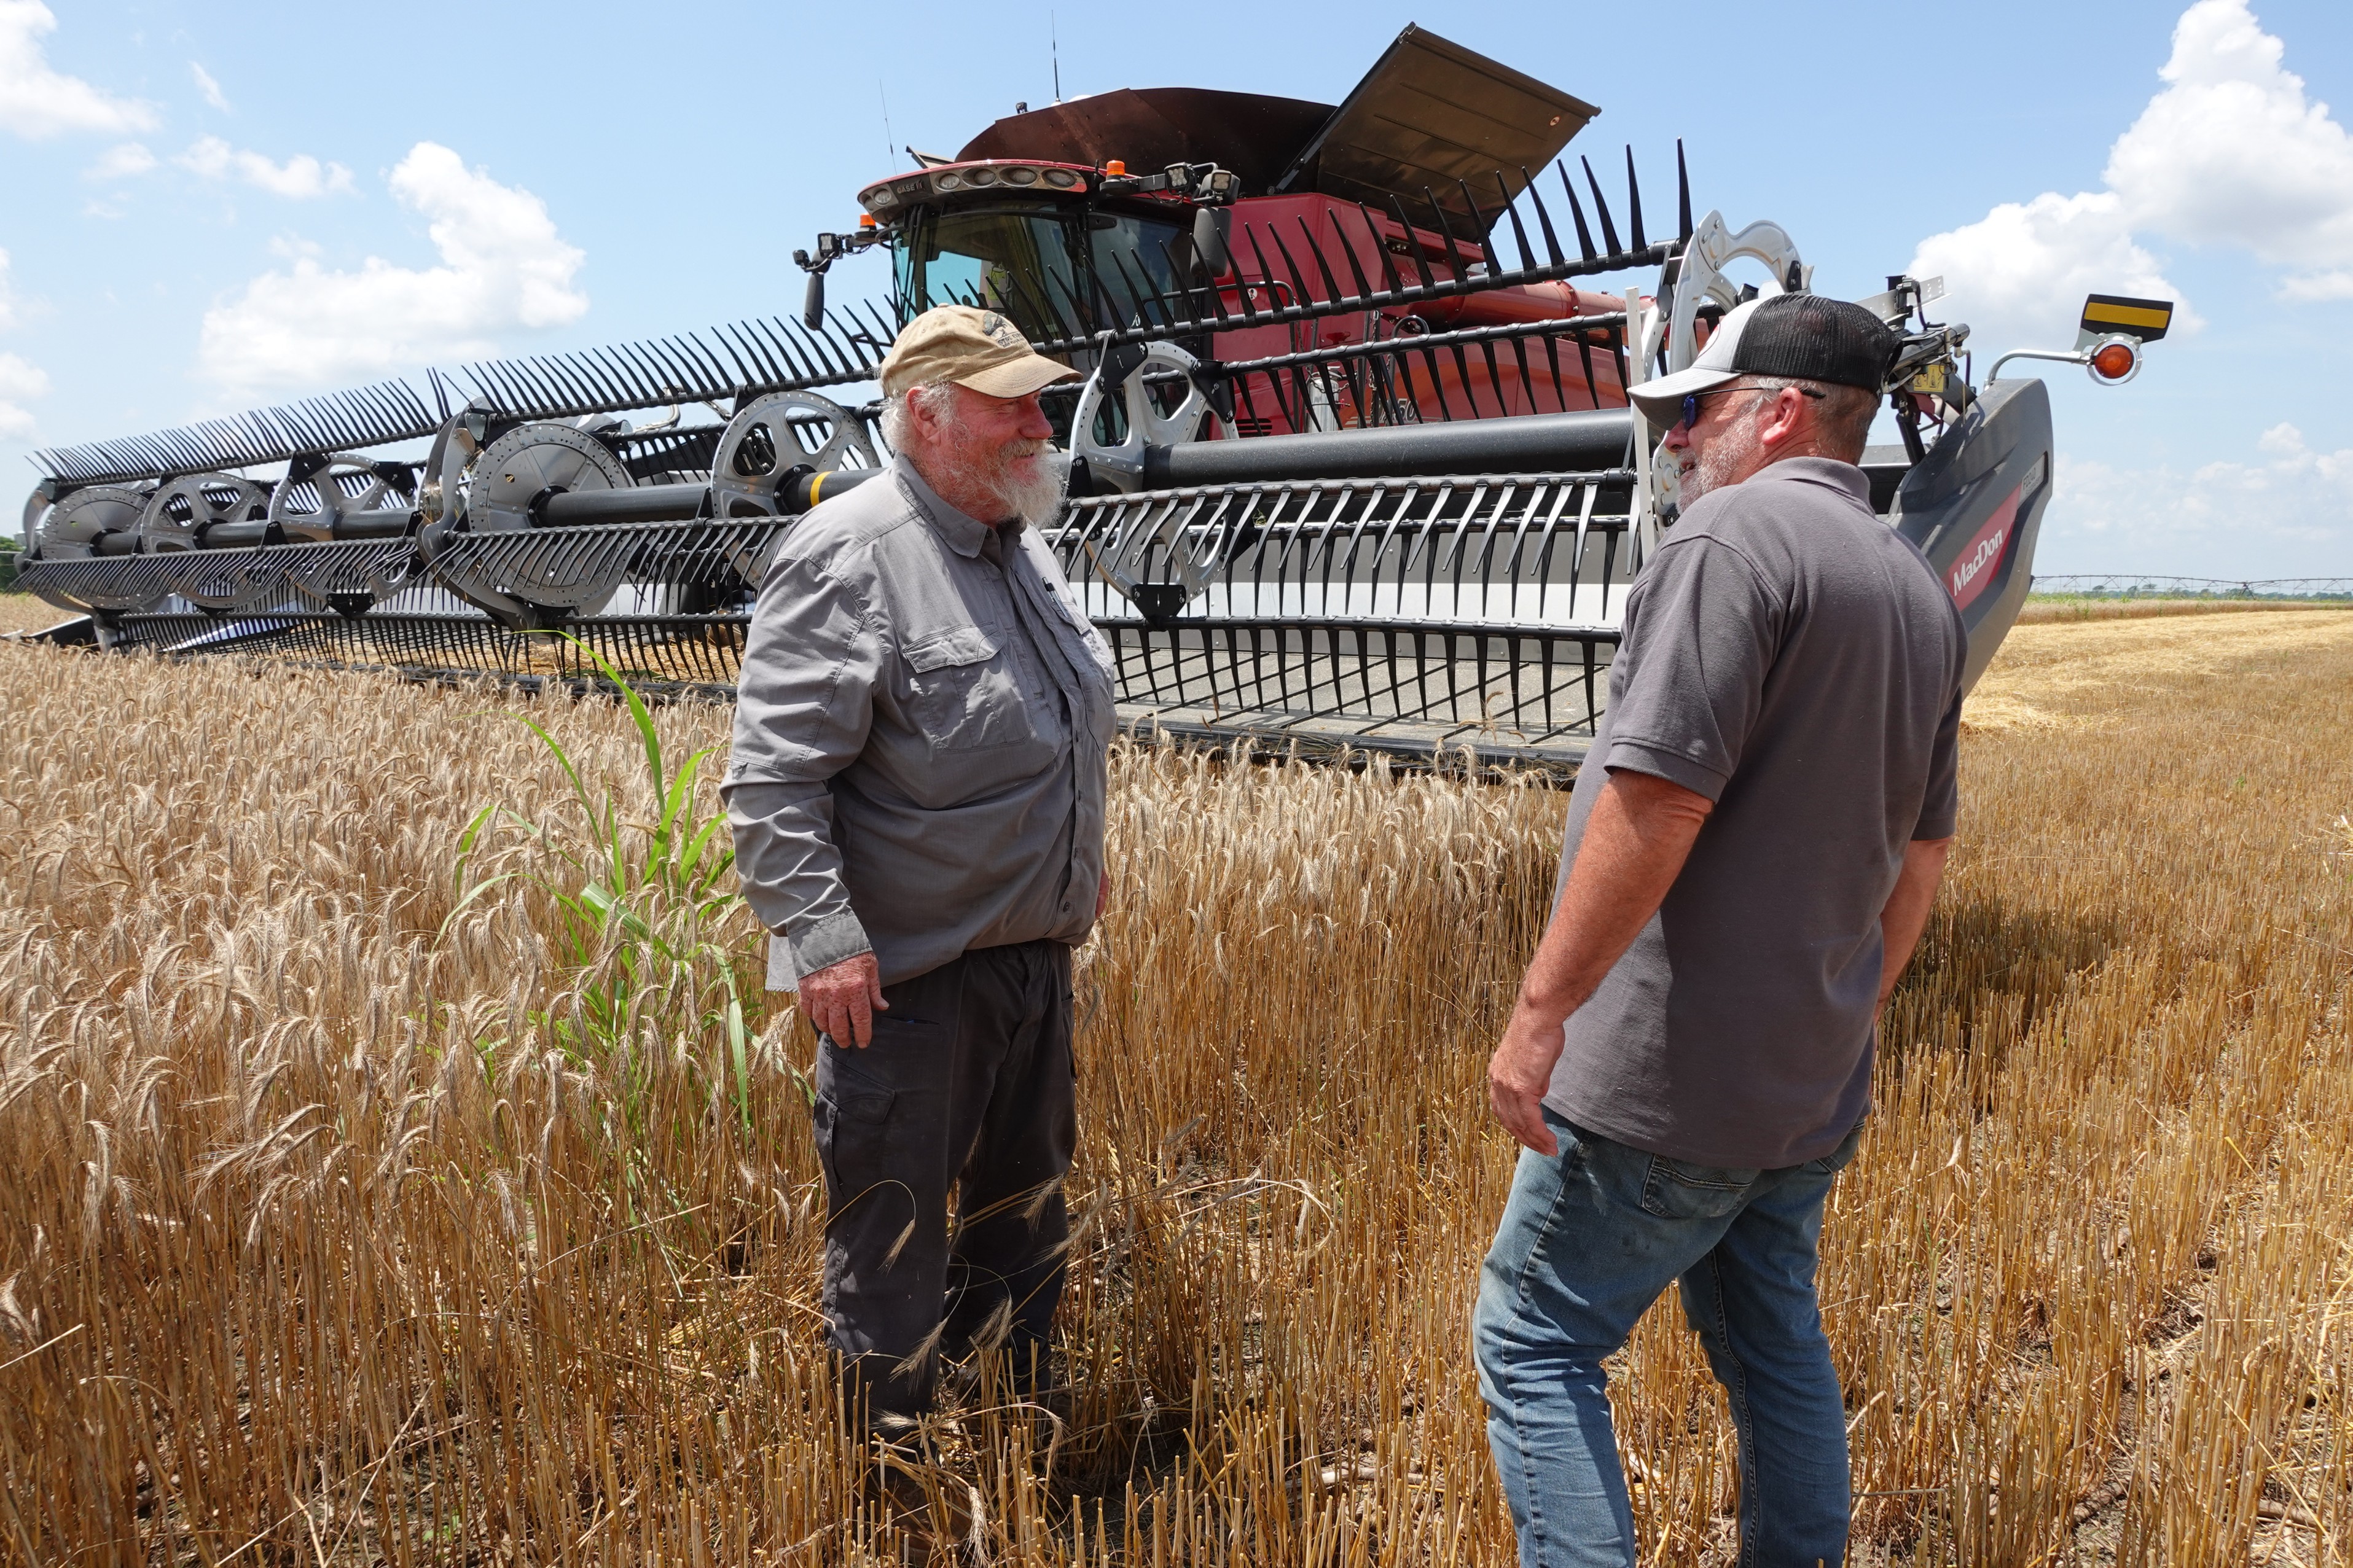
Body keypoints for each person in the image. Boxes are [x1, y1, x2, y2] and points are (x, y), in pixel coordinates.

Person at [1473, 292, 1964, 1567]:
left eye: (1693, 410)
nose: (1678, 439)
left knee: (1533, 1340)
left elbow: (1658, 799)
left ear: (1777, 411)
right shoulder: (1913, 587)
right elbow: (1921, 852)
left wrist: (1540, 1015)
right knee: (1772, 1340)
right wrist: (1842, 1012)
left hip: (1663, 1084)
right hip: (1806, 1083)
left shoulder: (1728, 543)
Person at [722, 305, 1116, 1439]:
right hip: (903, 987)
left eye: (1042, 398)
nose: (1041, 423)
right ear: (928, 417)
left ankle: (1009, 1438)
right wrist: (824, 940)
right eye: (1015, 402)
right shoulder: (850, 554)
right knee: (892, 1249)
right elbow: (772, 782)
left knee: (1022, 1220)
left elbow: (1057, 726)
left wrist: (1080, 864)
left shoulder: (1022, 544)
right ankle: (891, 1482)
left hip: (1031, 963)